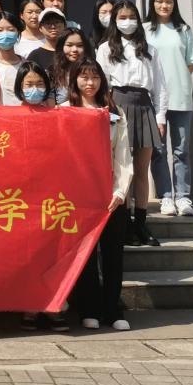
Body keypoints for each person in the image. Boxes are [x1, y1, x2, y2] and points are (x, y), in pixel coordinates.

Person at [68, 58, 134, 332]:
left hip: (110, 195)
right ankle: (90, 308)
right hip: (79, 197)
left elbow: (123, 157)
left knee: (112, 254)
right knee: (84, 256)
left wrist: (120, 191)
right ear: (74, 81)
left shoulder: (115, 114)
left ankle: (113, 309)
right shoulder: (66, 111)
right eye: (84, 77)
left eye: (95, 77)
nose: (90, 83)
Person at [97, 0, 168, 248]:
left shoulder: (149, 49)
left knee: (141, 169)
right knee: (122, 167)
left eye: (131, 17)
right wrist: (107, 113)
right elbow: (102, 83)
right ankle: (125, 223)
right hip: (118, 104)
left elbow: (160, 86)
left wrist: (160, 117)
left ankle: (141, 223)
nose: (127, 21)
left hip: (144, 105)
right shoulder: (106, 48)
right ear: (115, 21)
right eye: (122, 17)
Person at [11, 62, 68, 333]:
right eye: (28, 85)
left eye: (39, 84)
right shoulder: (9, 117)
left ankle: (54, 306)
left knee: (51, 254)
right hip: (21, 195)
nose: (34, 89)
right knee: (27, 255)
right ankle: (29, 307)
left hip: (50, 194)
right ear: (19, 88)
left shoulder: (57, 116)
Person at [145, 0, 193, 217]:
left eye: (168, 1)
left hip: (181, 98)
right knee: (158, 151)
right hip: (153, 99)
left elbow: (192, 62)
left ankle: (183, 197)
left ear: (174, 4)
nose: (164, 5)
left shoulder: (183, 29)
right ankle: (166, 197)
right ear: (152, 3)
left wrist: (177, 79)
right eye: (159, 1)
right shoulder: (145, 29)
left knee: (181, 151)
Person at [49, 28, 94, 105]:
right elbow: (50, 104)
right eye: (69, 45)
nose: (75, 49)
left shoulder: (94, 70)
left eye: (79, 45)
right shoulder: (52, 72)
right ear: (61, 47)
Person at [27, 7, 68, 75]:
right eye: (48, 23)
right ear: (40, 28)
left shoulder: (71, 52)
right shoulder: (35, 55)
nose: (53, 26)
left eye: (57, 22)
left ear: (65, 26)